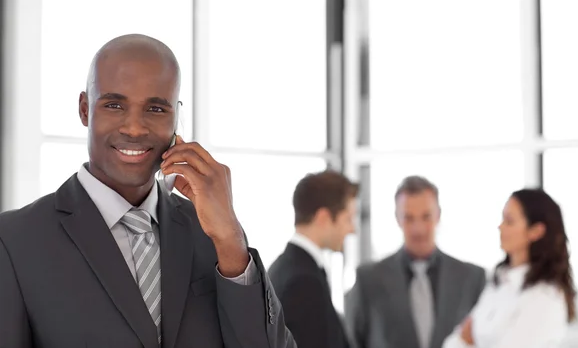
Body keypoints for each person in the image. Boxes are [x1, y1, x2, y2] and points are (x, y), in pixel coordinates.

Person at [0, 34, 295, 348]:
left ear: (176, 117)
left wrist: (230, 241)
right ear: (85, 110)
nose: (135, 128)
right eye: (114, 105)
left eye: (155, 110)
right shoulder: (15, 240)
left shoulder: (213, 234)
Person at [345, 176, 486, 348]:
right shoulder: (368, 280)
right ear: (397, 218)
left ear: (438, 215)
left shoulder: (472, 278)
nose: (418, 229)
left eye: (426, 217)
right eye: (408, 218)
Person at [442, 188, 576, 348]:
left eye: (509, 221)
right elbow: (455, 340)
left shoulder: (545, 296)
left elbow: (465, 338)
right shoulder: (499, 282)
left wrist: (468, 342)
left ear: (536, 231)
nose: (501, 227)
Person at [268, 170, 358, 348]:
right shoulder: (303, 281)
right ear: (323, 218)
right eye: (348, 219)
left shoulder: (286, 267)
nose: (352, 229)